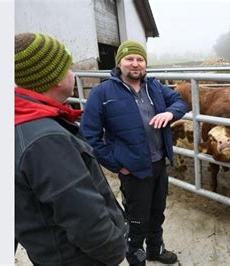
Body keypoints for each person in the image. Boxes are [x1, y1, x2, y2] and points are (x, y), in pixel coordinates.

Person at [14, 32, 128, 265]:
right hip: (79, 258)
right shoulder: (47, 141)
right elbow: (85, 218)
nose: (73, 73)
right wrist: (116, 251)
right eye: (69, 67)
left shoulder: (23, 123)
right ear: (55, 78)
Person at [80, 40, 187, 265]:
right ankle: (135, 257)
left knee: (157, 213)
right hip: (133, 170)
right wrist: (117, 165)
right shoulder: (102, 93)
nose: (135, 64)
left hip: (158, 163)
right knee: (137, 219)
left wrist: (170, 114)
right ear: (119, 63)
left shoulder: (154, 87)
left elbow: (179, 101)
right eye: (129, 59)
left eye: (140, 60)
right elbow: (89, 136)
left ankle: (155, 250)